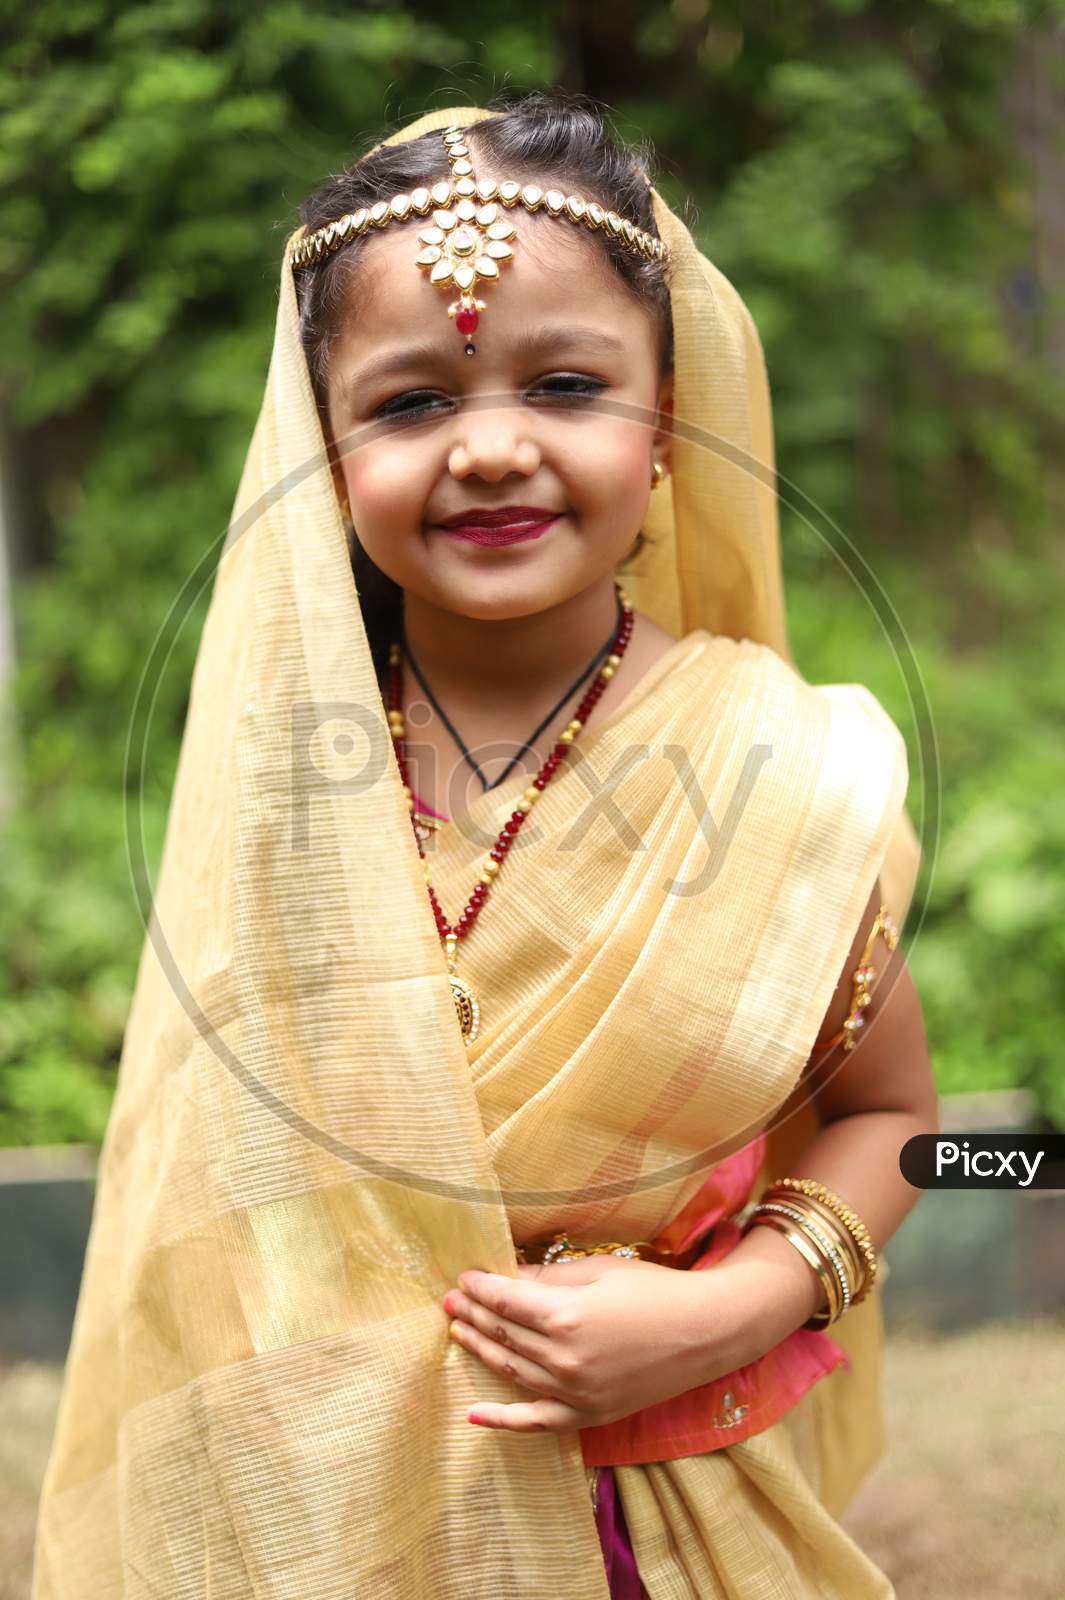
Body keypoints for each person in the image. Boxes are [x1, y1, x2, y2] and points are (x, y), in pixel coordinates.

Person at [32, 93, 938, 1599]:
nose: (492, 448)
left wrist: (750, 1301)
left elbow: (938, 1132)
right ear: (321, 460)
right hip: (323, 1536)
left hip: (655, 1524)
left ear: (667, 431)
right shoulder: (275, 799)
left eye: (567, 384)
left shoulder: (773, 769)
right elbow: (193, 1199)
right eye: (407, 405)